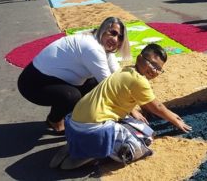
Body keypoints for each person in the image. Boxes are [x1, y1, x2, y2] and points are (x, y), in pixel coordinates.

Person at [49, 43, 192, 170]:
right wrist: (175, 120)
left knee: (133, 123)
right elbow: (157, 107)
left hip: (75, 123)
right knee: (144, 139)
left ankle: (76, 147)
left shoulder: (126, 70)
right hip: (92, 128)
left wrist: (132, 110)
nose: (154, 71)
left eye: (159, 69)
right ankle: (90, 155)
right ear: (140, 58)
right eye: (152, 64)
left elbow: (119, 94)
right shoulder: (139, 81)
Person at [17, 17, 131, 133]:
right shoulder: (93, 48)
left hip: (54, 79)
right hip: (33, 83)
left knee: (93, 84)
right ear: (102, 29)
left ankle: (76, 115)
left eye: (120, 37)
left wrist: (136, 97)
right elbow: (109, 85)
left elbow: (118, 76)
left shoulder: (102, 44)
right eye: (113, 33)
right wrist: (129, 111)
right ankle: (54, 120)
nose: (115, 39)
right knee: (72, 96)